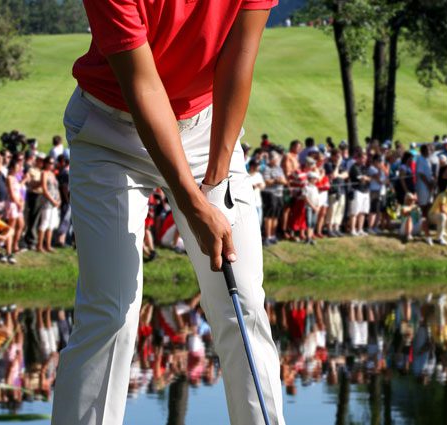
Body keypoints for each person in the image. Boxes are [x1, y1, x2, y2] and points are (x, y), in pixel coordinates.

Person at [51, 2, 286, 424]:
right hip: (110, 133)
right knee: (112, 314)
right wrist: (193, 202)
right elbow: (144, 86)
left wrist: (214, 180)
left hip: (205, 130)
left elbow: (238, 56)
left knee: (243, 304)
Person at [262, 151, 287, 246]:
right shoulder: (267, 169)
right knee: (269, 217)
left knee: (276, 216)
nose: (277, 161)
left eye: (277, 159)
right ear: (271, 160)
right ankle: (267, 236)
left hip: (279, 194)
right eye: (276, 159)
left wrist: (280, 181)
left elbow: (285, 181)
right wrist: (277, 180)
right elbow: (267, 182)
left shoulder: (279, 168)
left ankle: (272, 235)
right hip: (270, 195)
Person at [37, 156, 60, 253]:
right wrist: (53, 201)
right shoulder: (44, 173)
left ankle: (48, 245)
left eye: (53, 163)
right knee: (44, 223)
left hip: (54, 202)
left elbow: (56, 188)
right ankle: (39, 246)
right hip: (47, 201)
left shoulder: (52, 173)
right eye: (50, 163)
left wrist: (59, 199)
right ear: (45, 163)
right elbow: (44, 189)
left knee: (51, 224)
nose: (52, 164)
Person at [5, 156, 27, 254]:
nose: (19, 169)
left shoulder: (15, 178)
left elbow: (18, 191)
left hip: (18, 204)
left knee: (21, 224)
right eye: (17, 167)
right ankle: (9, 248)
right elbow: (11, 193)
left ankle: (14, 244)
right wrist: (18, 203)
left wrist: (21, 201)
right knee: (11, 227)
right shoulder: (9, 178)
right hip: (13, 204)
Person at [348, 150, 371, 236]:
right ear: (358, 158)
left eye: (365, 158)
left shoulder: (365, 167)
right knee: (355, 211)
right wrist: (365, 178)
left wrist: (366, 178)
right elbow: (361, 178)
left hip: (366, 191)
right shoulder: (354, 167)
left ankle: (360, 229)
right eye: (363, 158)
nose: (364, 160)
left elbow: (369, 178)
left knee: (363, 211)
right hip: (357, 191)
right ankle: (353, 230)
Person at [248, 158, 265, 227]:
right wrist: (251, 186)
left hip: (258, 203)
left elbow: (263, 186)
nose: (259, 167)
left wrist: (260, 185)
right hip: (250, 204)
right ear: (252, 166)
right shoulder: (246, 176)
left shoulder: (259, 175)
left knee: (259, 223)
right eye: (257, 165)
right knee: (251, 224)